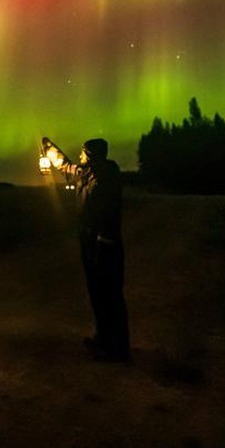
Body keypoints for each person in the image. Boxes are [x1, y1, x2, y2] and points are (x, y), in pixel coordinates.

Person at [42, 136, 131, 362]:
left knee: (110, 294)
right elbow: (65, 165)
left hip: (105, 244)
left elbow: (107, 213)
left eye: (83, 152)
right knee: (97, 293)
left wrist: (103, 238)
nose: (80, 156)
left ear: (91, 155)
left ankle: (117, 348)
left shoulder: (106, 178)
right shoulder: (86, 173)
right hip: (90, 241)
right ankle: (104, 340)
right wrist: (50, 148)